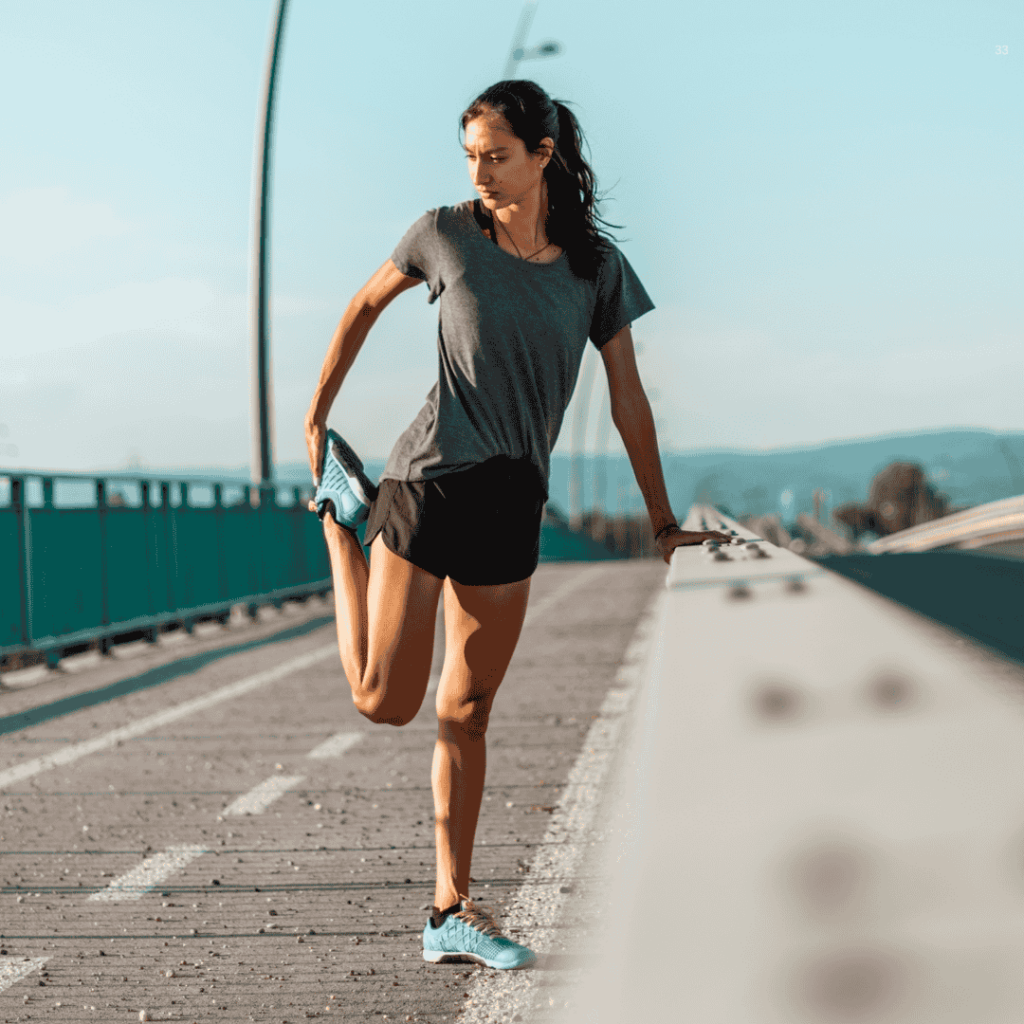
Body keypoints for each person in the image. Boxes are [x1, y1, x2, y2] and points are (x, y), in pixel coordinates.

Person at [304, 79, 730, 970]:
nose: (481, 172)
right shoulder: (445, 233)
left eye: (496, 155)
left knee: (468, 712)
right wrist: (316, 416)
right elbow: (361, 307)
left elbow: (628, 398)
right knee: (386, 702)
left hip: (513, 505)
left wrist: (661, 521)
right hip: (427, 484)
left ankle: (448, 909)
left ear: (543, 156)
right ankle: (346, 530)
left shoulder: (596, 269)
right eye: (470, 156)